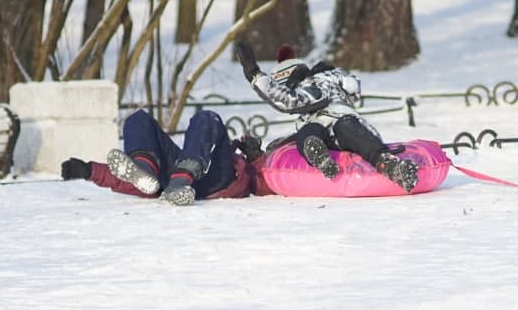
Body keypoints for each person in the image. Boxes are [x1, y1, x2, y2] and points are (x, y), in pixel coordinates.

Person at [233, 42, 418, 193]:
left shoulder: (318, 86)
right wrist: (262, 153)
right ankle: (319, 155)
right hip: (328, 134)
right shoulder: (316, 106)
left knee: (336, 127)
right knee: (308, 132)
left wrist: (254, 74)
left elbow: (288, 100)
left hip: (344, 128)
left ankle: (388, 164)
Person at [60, 108, 271, 206]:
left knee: (207, 118)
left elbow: (270, 181)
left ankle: (180, 180)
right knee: (137, 119)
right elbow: (146, 188)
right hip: (179, 177)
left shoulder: (283, 160)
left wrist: (255, 157)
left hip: (220, 179)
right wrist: (90, 170)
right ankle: (144, 167)